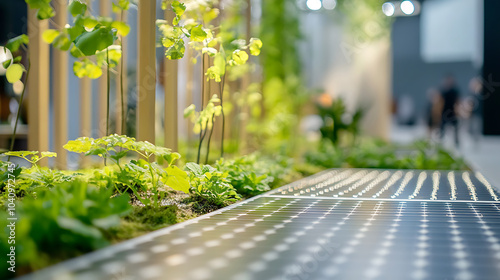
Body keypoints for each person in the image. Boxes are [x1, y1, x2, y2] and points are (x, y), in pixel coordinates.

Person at [439, 75, 460, 146]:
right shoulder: (443, 90)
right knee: (442, 127)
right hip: (444, 111)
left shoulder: (455, 91)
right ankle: (440, 141)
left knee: (456, 127)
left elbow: (457, 101)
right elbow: (440, 102)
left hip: (452, 111)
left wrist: (458, 111)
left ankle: (456, 142)